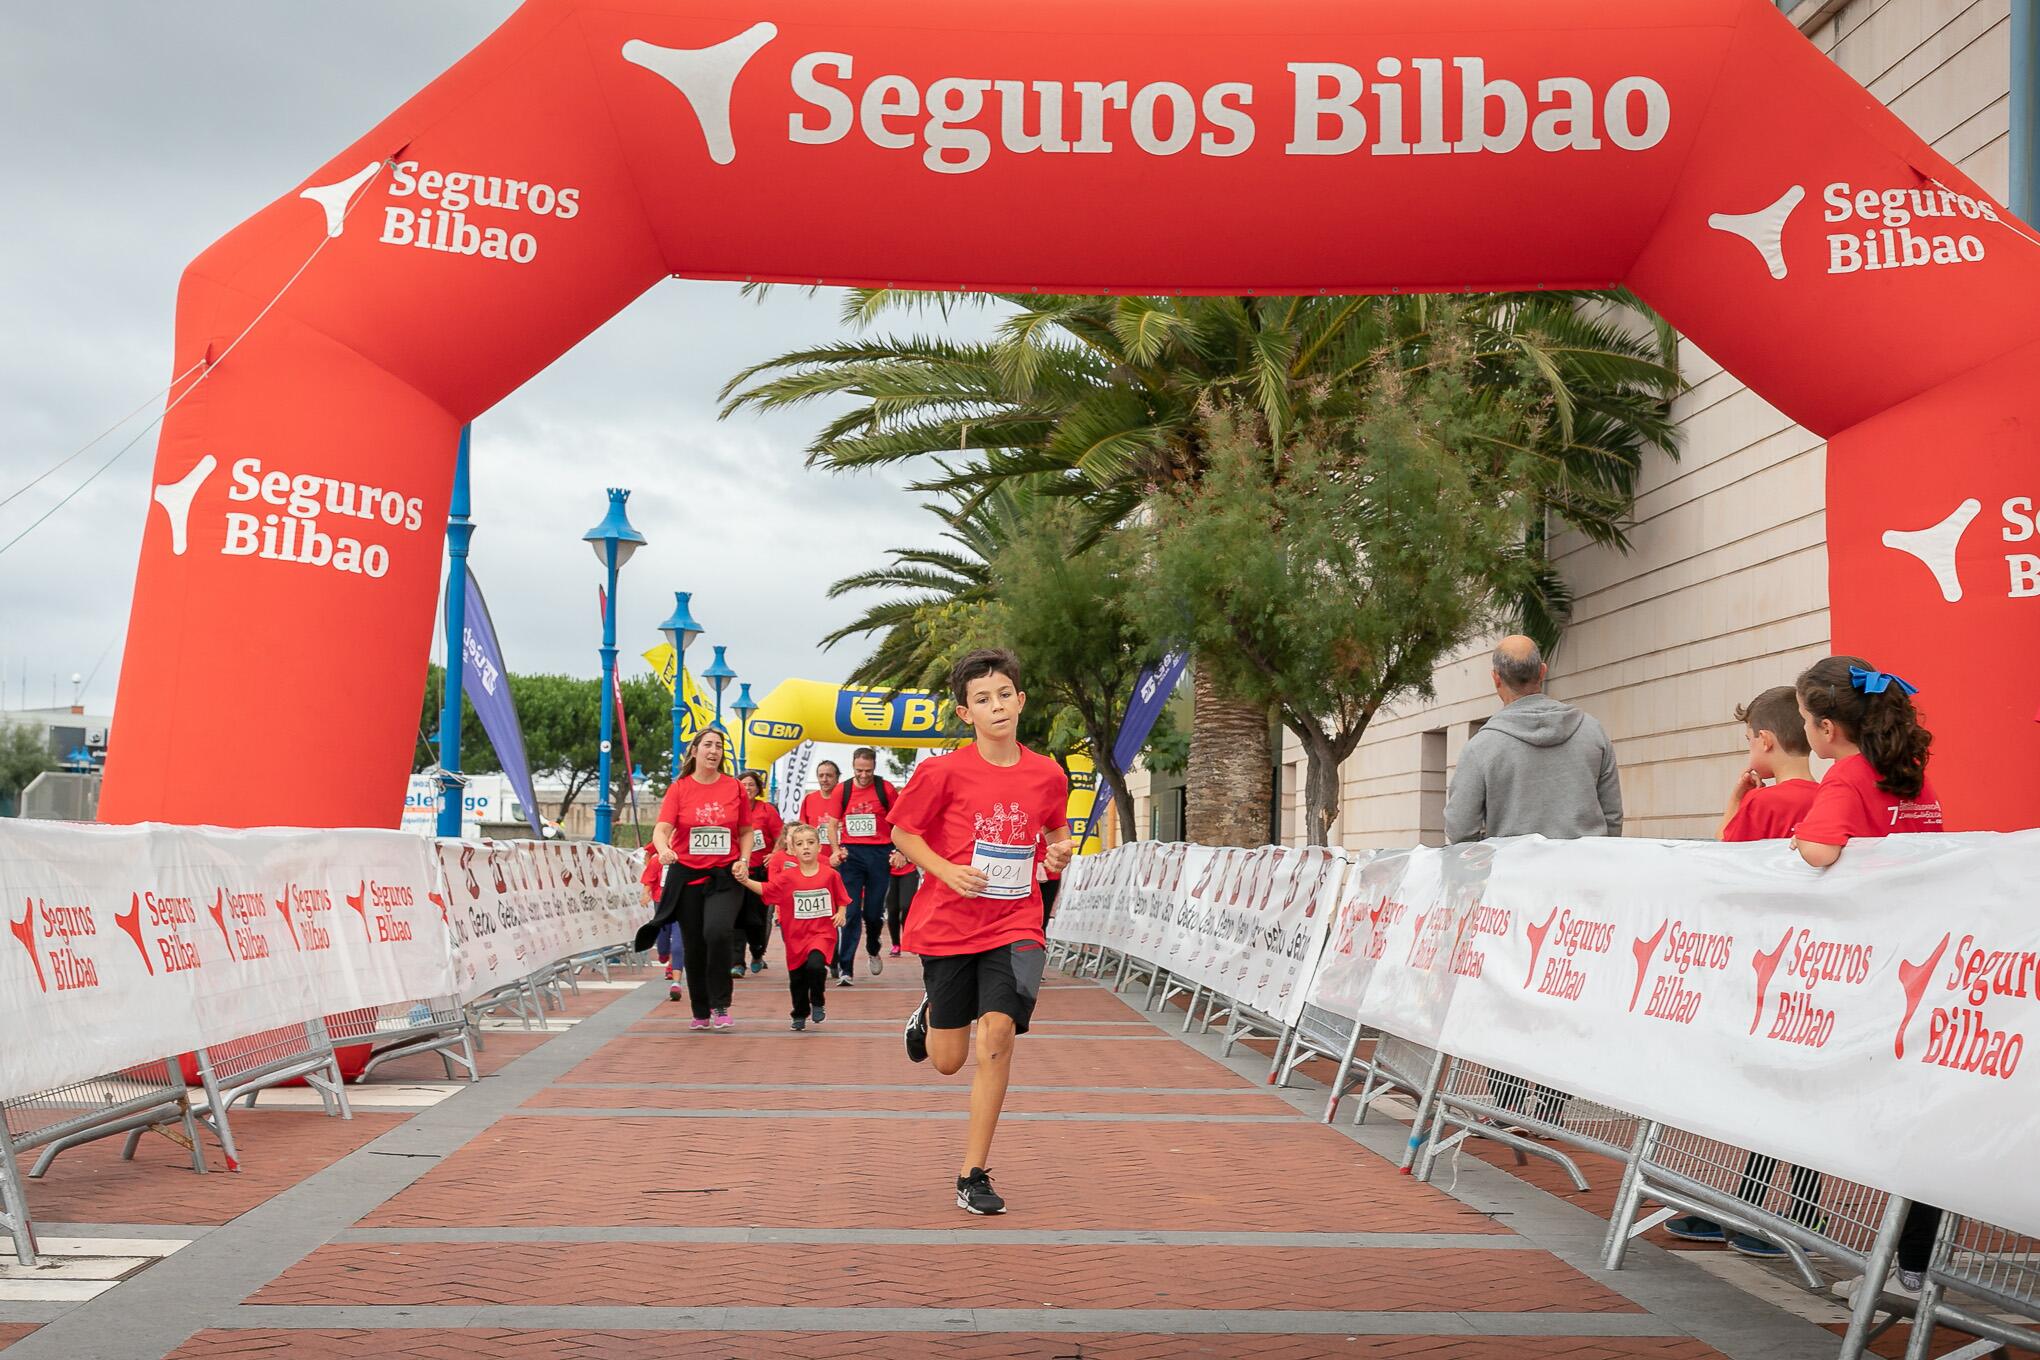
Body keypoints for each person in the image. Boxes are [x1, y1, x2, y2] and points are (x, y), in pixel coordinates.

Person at [1789, 656, 1945, 1303]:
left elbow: (1821, 849)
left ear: (1827, 728)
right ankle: (1911, 1267)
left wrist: (1797, 841)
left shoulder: (1848, 778)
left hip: (1878, 974)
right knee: (1923, 1126)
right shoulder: (1911, 776)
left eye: (1805, 722)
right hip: (1924, 964)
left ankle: (1895, 1270)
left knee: (1887, 1123)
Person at [895, 649, 1071, 1215]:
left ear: (1020, 701)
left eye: (1003, 695)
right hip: (949, 923)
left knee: (996, 1036)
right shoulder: (940, 772)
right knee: (948, 1059)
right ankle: (928, 1017)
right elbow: (903, 832)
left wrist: (1060, 852)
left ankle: (972, 1173)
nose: (995, 707)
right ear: (965, 712)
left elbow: (1054, 830)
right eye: (981, 700)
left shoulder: (1047, 772)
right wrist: (945, 870)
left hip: (1017, 921)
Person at [1665, 685, 1823, 1258]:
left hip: (1764, 962)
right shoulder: (1829, 795)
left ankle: (1777, 1212)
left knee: (1766, 1088)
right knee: (1789, 1088)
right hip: (1811, 962)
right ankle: (1757, 1205)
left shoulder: (1765, 803)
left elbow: (1725, 858)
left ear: (1765, 740)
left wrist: (1736, 799)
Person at [1444, 635, 1624, 843]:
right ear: (1542, 672)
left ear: (1496, 678)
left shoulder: (1481, 747)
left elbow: (1460, 829)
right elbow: (1612, 817)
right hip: (1585, 870)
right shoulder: (1592, 731)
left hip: (1512, 872)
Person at [633, 728, 753, 1031]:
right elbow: (661, 829)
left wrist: (744, 860)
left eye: (719, 746)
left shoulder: (735, 788)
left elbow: (746, 831)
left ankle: (721, 1004)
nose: (714, 751)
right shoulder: (680, 788)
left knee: (717, 932)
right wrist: (663, 851)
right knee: (694, 945)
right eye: (708, 745)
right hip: (687, 877)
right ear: (695, 751)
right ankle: (701, 1010)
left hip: (724, 876)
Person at [744, 822, 847, 1031]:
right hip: (796, 936)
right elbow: (766, 890)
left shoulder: (830, 874)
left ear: (819, 847)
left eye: (810, 842)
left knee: (816, 966)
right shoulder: (787, 878)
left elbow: (842, 897)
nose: (806, 847)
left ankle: (817, 1000)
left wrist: (841, 913)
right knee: (797, 977)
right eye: (800, 844)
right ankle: (799, 1013)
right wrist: (744, 880)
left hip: (822, 933)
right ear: (793, 850)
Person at [830, 747, 898, 982]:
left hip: (880, 853)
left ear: (874, 767)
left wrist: (898, 850)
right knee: (849, 912)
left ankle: (872, 947)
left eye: (868, 771)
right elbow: (831, 824)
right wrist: (837, 849)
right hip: (853, 854)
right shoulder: (844, 789)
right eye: (859, 770)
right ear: (853, 767)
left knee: (873, 912)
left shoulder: (885, 788)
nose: (864, 775)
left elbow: (898, 821)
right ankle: (845, 968)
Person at [735, 769, 784, 976]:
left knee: (756, 919)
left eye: (751, 785)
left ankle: (757, 951)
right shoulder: (732, 809)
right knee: (735, 917)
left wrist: (774, 853)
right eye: (743, 785)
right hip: (736, 872)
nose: (747, 788)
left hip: (759, 873)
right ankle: (737, 962)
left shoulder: (767, 811)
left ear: (758, 789)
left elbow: (781, 835)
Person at [640, 843, 682, 1003]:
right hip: (662, 903)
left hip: (681, 905)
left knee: (679, 944)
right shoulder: (658, 858)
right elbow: (648, 879)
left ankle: (676, 982)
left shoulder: (687, 859)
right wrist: (645, 893)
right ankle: (664, 954)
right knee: (663, 940)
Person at [800, 760, 845, 859]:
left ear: (837, 778)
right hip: (817, 859)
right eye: (821, 776)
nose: (824, 779)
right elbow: (802, 830)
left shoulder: (846, 799)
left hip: (843, 858)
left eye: (829, 775)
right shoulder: (809, 799)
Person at [884, 848, 917, 958]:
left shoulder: (905, 832)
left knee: (906, 906)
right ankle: (896, 944)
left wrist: (904, 854)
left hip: (909, 870)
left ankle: (908, 939)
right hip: (889, 873)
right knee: (892, 909)